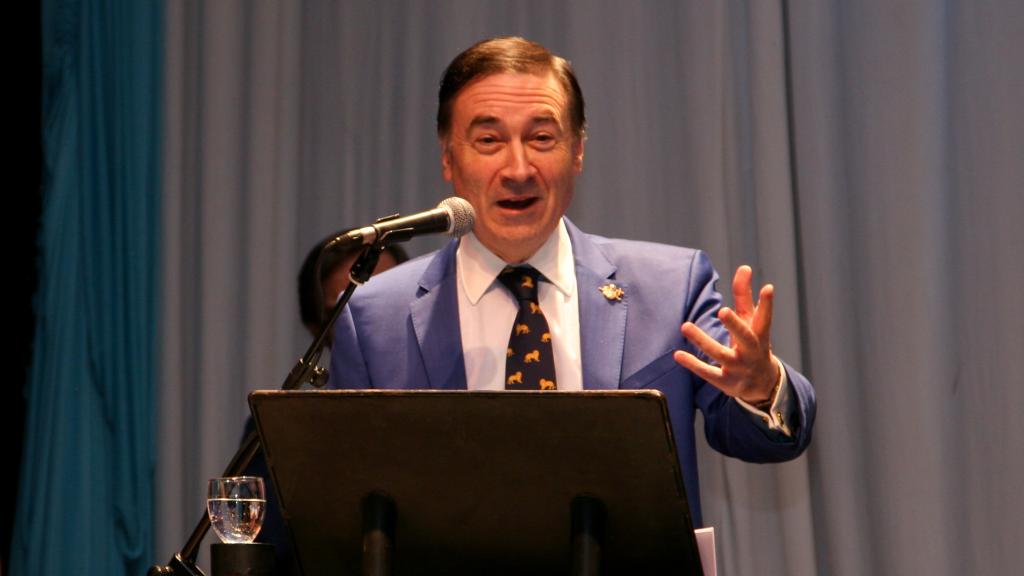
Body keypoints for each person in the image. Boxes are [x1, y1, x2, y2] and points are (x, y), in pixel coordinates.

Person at [329, 36, 816, 528]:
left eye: (542, 138)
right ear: (449, 159)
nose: (518, 169)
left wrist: (760, 388)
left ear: (578, 151)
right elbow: (349, 511)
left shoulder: (671, 289)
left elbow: (760, 438)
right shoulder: (374, 319)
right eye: (489, 141)